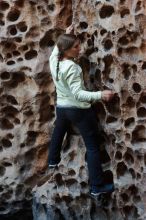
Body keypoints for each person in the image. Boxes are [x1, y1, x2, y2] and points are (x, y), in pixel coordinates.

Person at [48, 25, 115, 196]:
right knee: (93, 148)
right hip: (78, 111)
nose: (80, 49)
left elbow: (56, 49)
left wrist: (67, 34)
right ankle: (97, 187)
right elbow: (78, 94)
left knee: (58, 131)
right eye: (76, 47)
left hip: (62, 108)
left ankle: (53, 160)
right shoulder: (72, 68)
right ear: (67, 50)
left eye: (79, 45)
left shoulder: (54, 60)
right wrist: (101, 94)